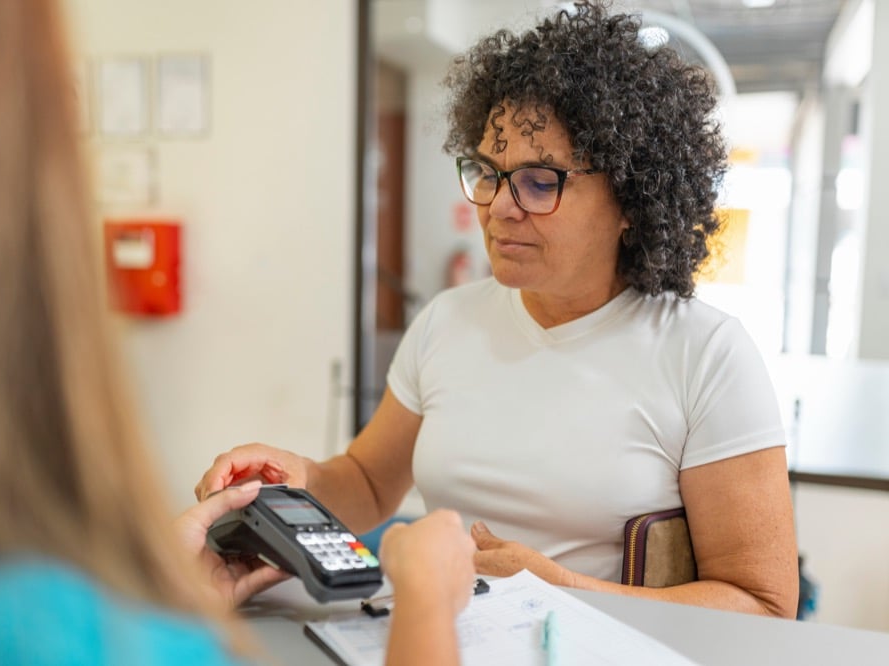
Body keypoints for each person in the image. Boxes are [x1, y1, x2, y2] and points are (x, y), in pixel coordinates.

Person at [0, 0, 476, 664]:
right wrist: (427, 602)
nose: (504, 204)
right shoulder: (39, 626)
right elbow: (369, 479)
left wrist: (160, 585)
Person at [196, 0, 799, 619]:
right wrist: (297, 478)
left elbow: (762, 605)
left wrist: (558, 587)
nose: (498, 208)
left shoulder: (706, 355)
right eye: (488, 172)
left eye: (540, 182)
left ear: (630, 200)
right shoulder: (446, 322)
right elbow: (370, 483)